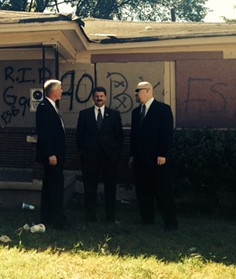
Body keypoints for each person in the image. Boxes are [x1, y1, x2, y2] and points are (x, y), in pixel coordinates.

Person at [129, 81, 178, 230]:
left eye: (139, 90)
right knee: (143, 191)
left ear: (149, 90)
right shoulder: (136, 112)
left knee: (163, 191)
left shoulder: (163, 109)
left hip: (158, 159)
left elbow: (166, 133)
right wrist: (132, 155)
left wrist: (162, 153)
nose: (136, 94)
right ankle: (146, 219)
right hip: (140, 159)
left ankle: (170, 223)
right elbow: (134, 136)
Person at [76, 86, 123, 223]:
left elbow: (119, 137)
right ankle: (90, 217)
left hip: (109, 158)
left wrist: (116, 154)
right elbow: (79, 136)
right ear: (93, 98)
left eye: (102, 96)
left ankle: (110, 217)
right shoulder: (84, 114)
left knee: (110, 189)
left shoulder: (114, 114)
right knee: (90, 189)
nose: (99, 98)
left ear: (106, 97)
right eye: (97, 96)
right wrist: (83, 153)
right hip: (90, 158)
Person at [35, 79, 68, 230]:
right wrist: (50, 154)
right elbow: (44, 134)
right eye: (60, 89)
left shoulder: (52, 106)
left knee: (49, 186)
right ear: (53, 91)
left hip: (56, 154)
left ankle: (47, 217)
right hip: (52, 156)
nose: (62, 91)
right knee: (55, 187)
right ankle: (57, 220)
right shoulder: (44, 107)